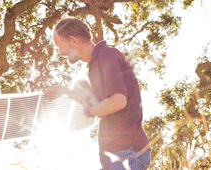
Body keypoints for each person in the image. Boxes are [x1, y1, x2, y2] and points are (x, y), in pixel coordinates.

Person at [44, 17, 151, 169]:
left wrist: (89, 111)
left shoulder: (107, 55)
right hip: (114, 155)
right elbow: (97, 102)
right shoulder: (95, 66)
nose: (61, 53)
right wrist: (64, 91)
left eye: (60, 47)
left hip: (126, 153)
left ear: (73, 40)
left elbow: (117, 102)